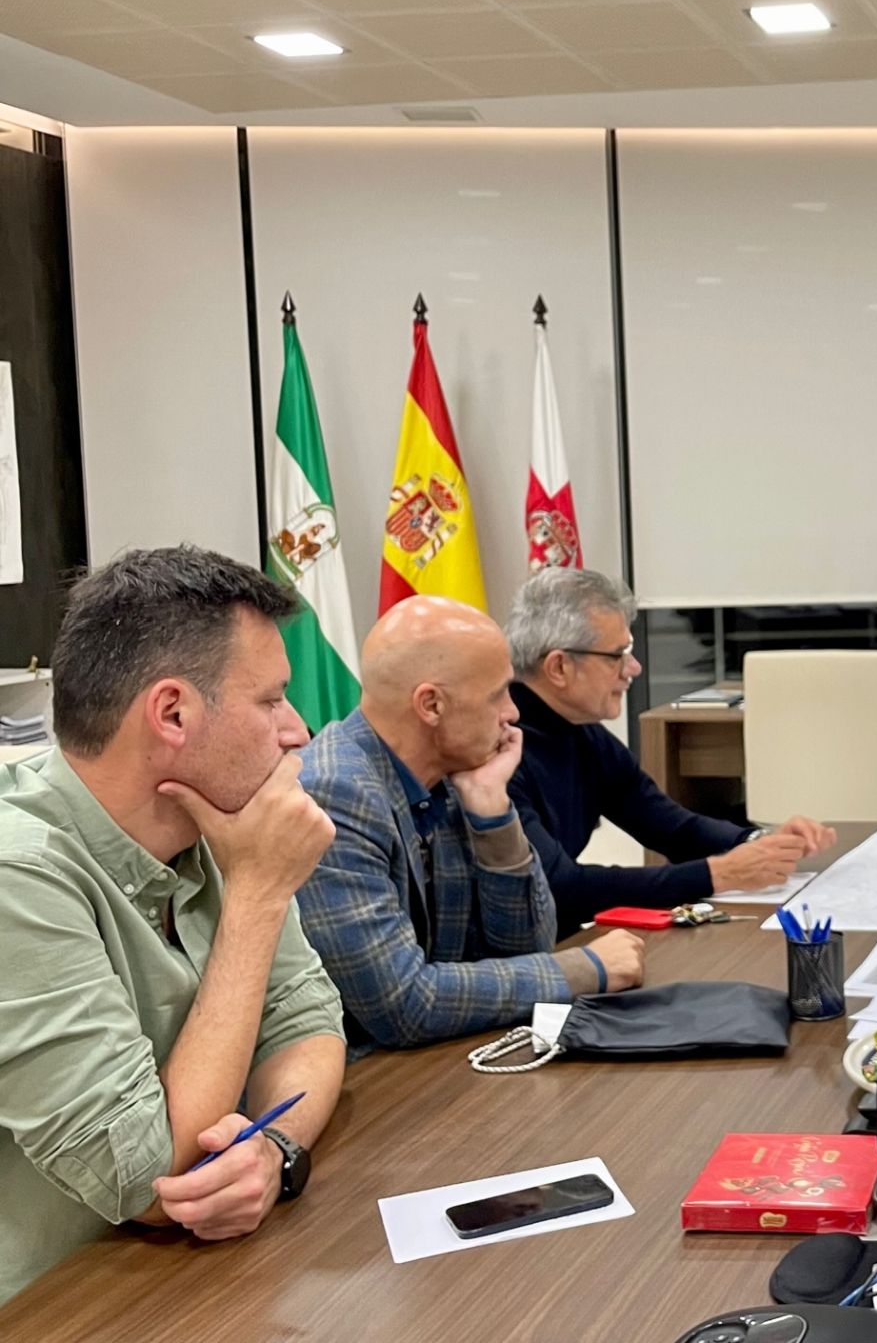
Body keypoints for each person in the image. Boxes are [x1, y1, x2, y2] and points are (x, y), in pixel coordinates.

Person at [0, 547, 346, 1306]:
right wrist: (256, 897)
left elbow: (309, 1019)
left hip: (177, 1281)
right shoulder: (14, 873)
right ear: (173, 713)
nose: (298, 729)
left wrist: (274, 1146)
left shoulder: (215, 822)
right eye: (272, 701)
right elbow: (149, 1178)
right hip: (58, 1308)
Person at [296, 596, 644, 1056]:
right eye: (497, 694)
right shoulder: (334, 794)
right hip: (366, 1087)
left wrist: (492, 813)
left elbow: (522, 948)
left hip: (439, 1062)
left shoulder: (451, 769)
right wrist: (585, 969)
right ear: (432, 705)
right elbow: (403, 1005)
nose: (513, 713)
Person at [503, 568, 835, 933]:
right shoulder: (499, 751)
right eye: (617, 655)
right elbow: (560, 887)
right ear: (560, 666)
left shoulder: (581, 733)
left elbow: (670, 827)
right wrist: (716, 874)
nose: (634, 667)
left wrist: (758, 843)